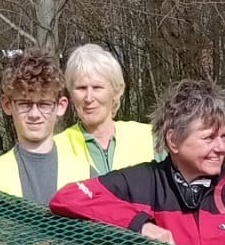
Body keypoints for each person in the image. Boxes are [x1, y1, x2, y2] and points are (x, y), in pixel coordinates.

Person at [51, 76, 225, 245]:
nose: (221, 148)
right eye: (209, 138)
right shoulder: (143, 182)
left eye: (224, 136)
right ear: (173, 140)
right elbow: (69, 197)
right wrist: (139, 225)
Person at [0, 50, 91, 203]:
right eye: (25, 104)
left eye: (44, 104)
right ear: (7, 105)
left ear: (60, 106)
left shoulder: (86, 174)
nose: (35, 114)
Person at [58, 44, 155, 177]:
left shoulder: (150, 137)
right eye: (81, 88)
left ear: (115, 90)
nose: (88, 98)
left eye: (97, 87)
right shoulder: (57, 148)